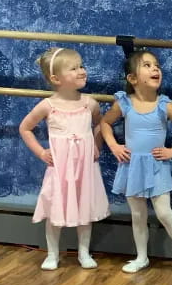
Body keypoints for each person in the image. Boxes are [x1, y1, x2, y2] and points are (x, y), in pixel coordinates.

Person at [100, 49, 172, 277]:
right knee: (137, 215)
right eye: (147, 65)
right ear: (132, 78)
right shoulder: (124, 103)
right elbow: (105, 124)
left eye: (157, 65)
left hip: (156, 165)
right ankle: (141, 257)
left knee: (164, 213)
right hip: (131, 166)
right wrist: (114, 146)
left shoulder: (164, 105)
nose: (155, 69)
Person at [19, 47, 110, 270]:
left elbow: (100, 124)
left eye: (82, 66)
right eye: (74, 68)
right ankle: (52, 253)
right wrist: (41, 152)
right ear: (55, 78)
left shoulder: (90, 103)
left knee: (84, 208)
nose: (82, 71)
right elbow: (25, 128)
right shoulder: (47, 106)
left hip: (85, 167)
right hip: (60, 169)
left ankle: (83, 252)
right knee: (55, 209)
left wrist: (97, 145)